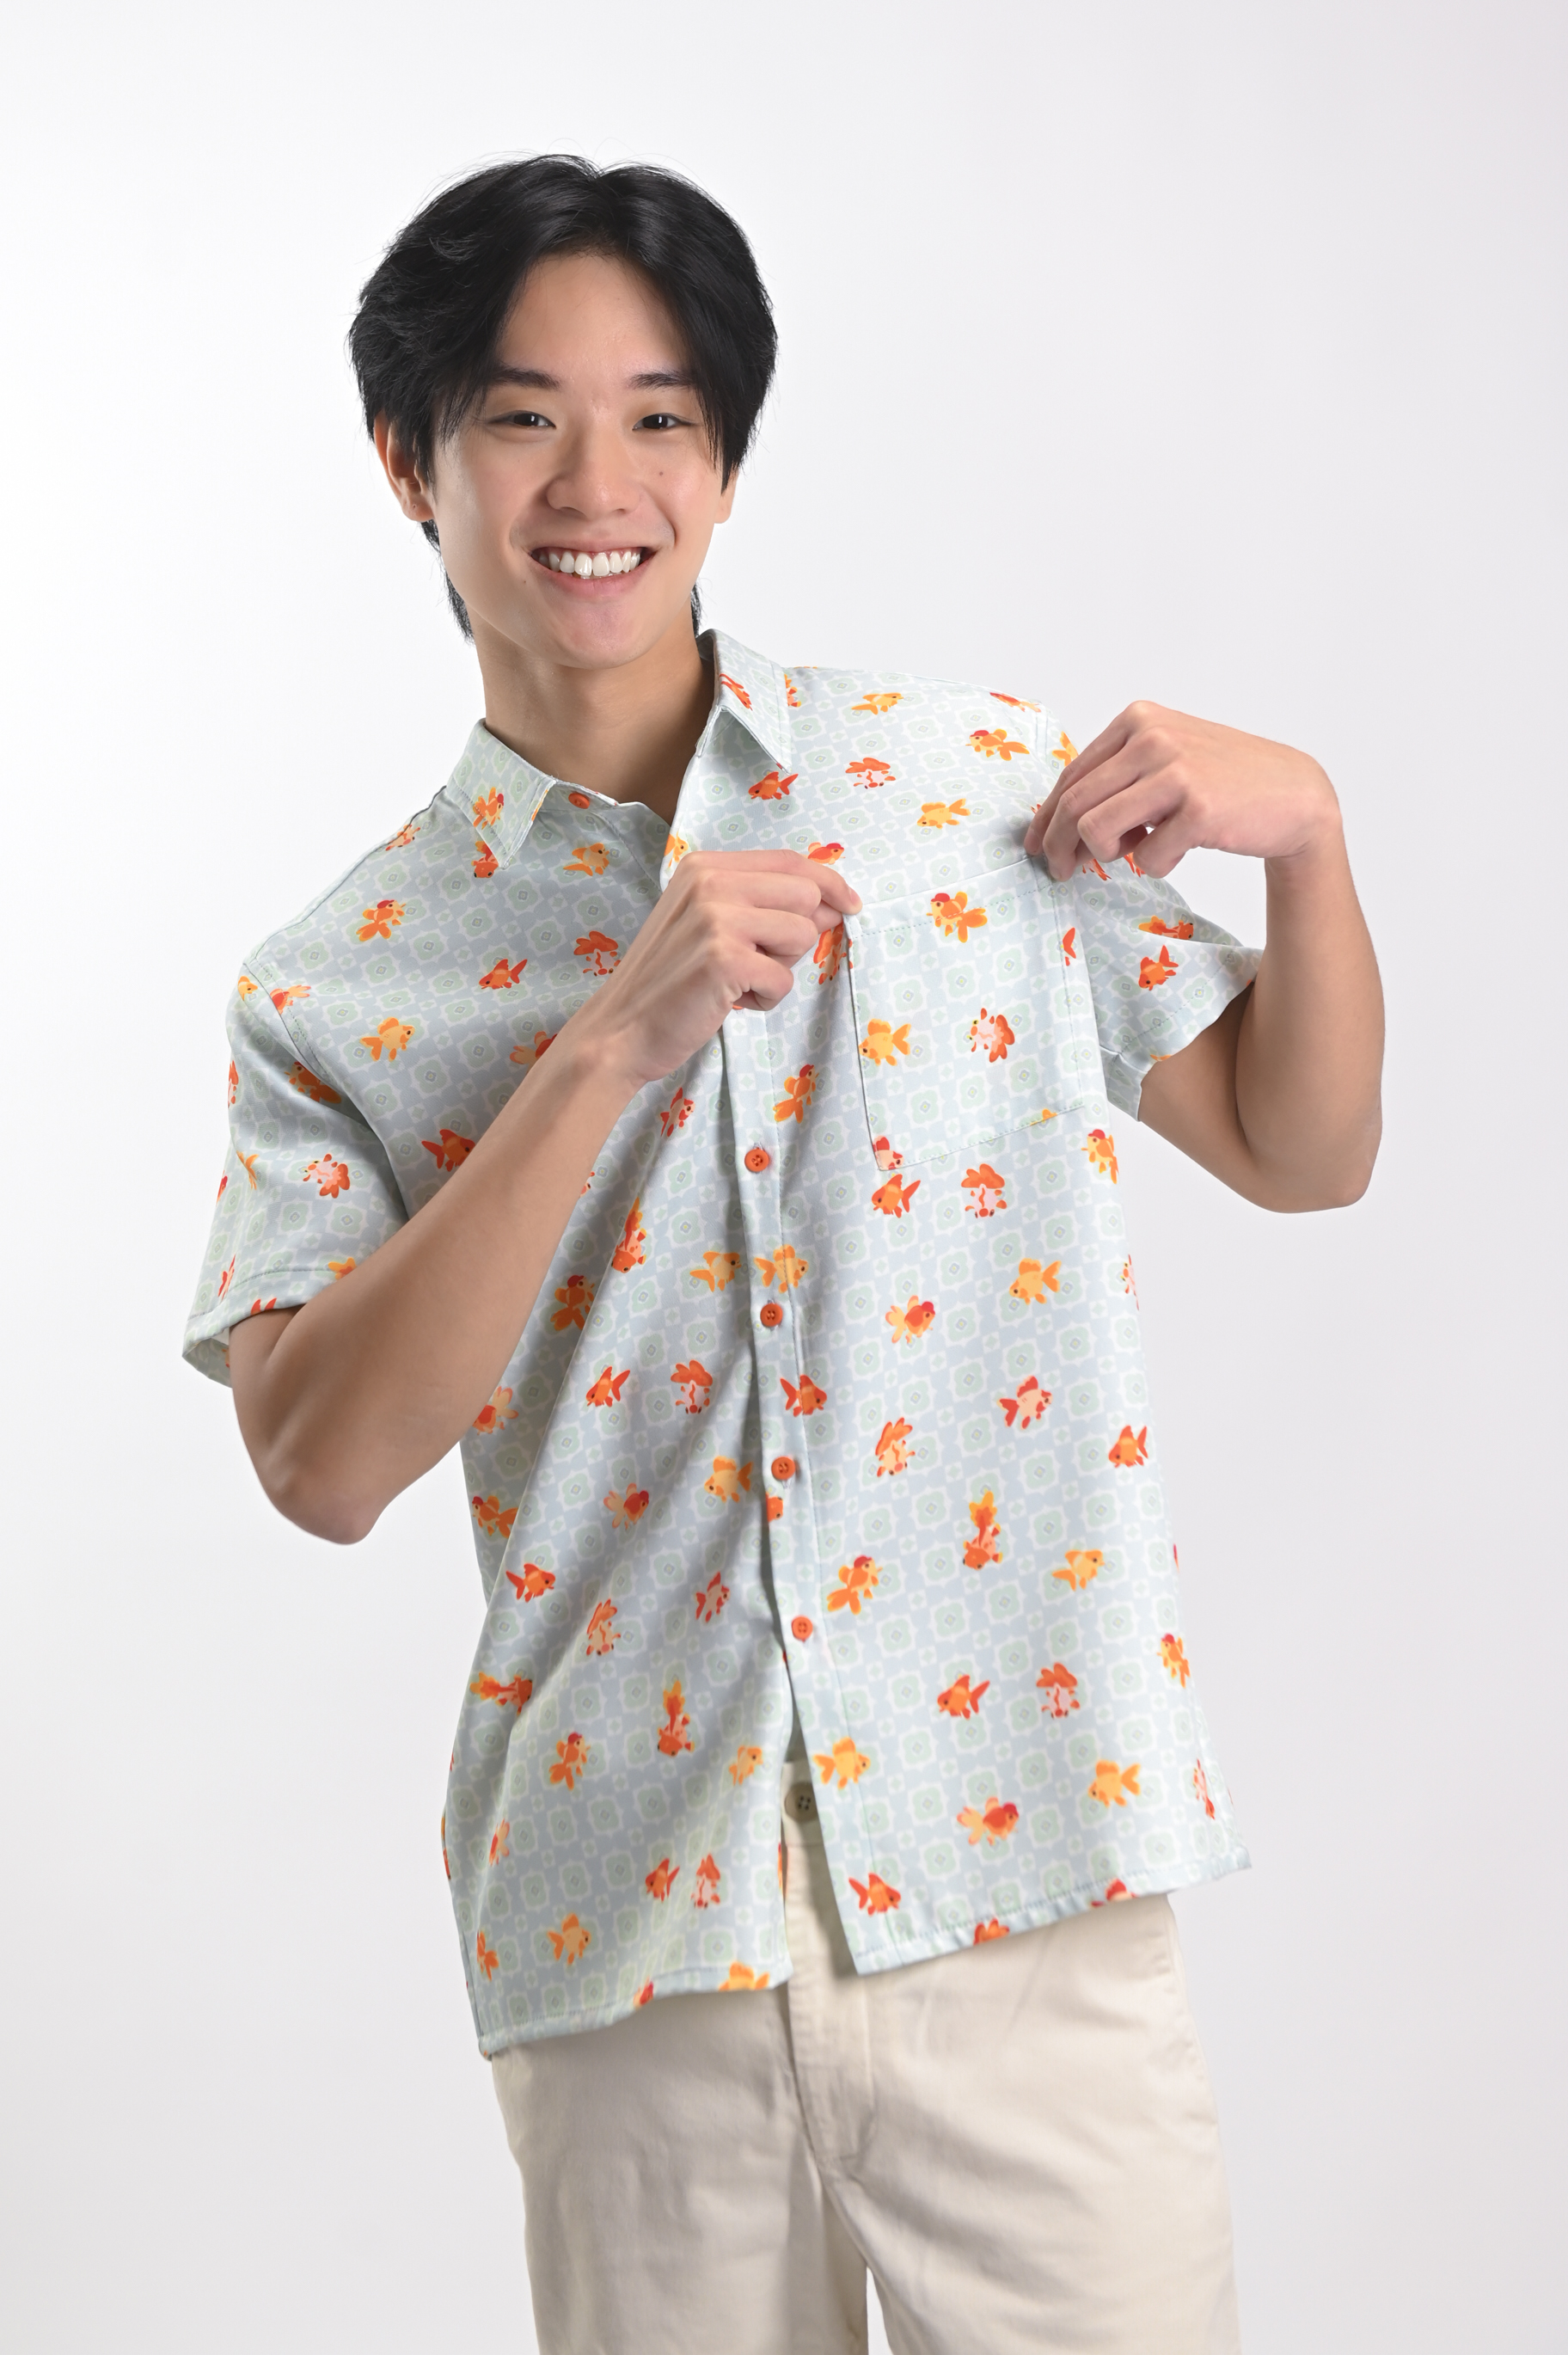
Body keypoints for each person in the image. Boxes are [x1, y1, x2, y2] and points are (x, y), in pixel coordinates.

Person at [184, 155, 1383, 2355]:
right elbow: (320, 1458)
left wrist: (1307, 834)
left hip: (1029, 1874)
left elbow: (1304, 1149)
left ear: (725, 465)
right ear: (410, 462)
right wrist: (603, 1049)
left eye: (660, 417)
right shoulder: (337, 979)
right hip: (631, 1928)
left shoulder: (967, 790)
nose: (597, 483)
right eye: (522, 415)